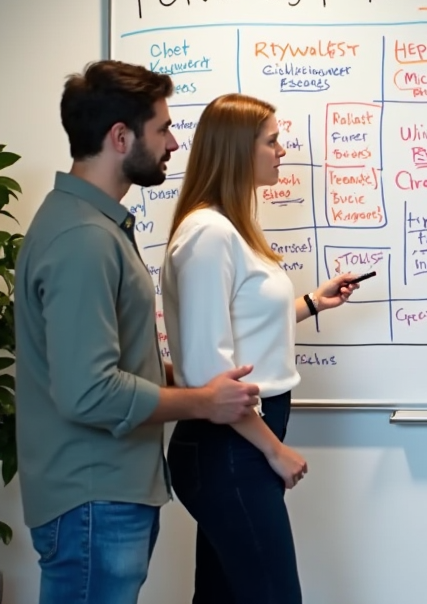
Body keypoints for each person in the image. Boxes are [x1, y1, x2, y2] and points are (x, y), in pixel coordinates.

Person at [15, 61, 262, 604]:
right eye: (163, 129)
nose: (174, 143)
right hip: (93, 500)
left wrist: (178, 376)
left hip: (101, 496)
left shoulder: (90, 225)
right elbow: (89, 390)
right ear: (120, 137)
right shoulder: (83, 239)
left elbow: (100, 363)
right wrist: (201, 402)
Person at [162, 93, 361, 604]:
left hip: (237, 442)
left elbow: (243, 320)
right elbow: (211, 373)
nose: (282, 150)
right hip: (230, 445)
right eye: (272, 140)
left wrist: (314, 303)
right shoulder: (209, 234)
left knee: (224, 595)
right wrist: (273, 449)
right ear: (236, 150)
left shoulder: (229, 229)